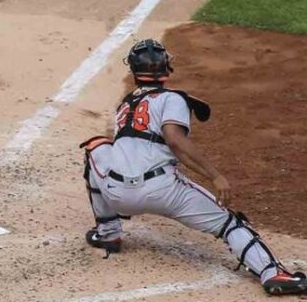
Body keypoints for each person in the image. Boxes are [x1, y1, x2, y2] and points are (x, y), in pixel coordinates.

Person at [80, 39, 307, 295]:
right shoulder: (172, 98)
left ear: (133, 71)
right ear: (166, 68)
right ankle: (272, 273)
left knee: (96, 147)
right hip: (163, 191)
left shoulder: (124, 106)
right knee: (229, 224)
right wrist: (215, 175)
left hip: (116, 193)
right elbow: (175, 140)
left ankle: (108, 233)